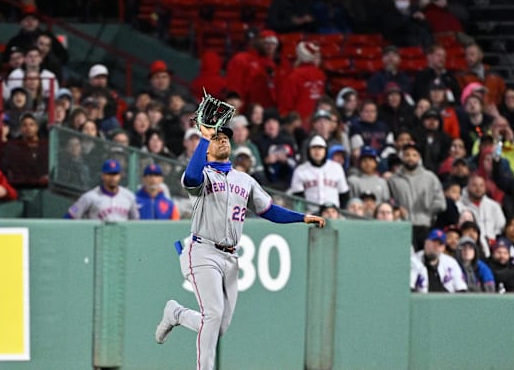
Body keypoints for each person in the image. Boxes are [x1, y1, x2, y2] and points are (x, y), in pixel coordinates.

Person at [153, 123, 325, 370]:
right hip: (202, 250)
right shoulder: (202, 175)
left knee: (219, 326)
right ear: (207, 149)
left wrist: (301, 217)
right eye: (217, 138)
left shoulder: (244, 180)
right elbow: (190, 178)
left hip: (230, 257)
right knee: (212, 315)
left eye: (225, 138)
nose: (222, 140)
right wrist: (204, 138)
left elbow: (269, 210)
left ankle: (177, 313)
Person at [388, 143, 446, 250]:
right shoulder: (394, 180)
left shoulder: (430, 178)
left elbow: (441, 203)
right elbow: (389, 200)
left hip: (424, 225)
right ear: (402, 157)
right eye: (407, 155)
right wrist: (397, 209)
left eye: (414, 155)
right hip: (403, 226)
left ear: (419, 158)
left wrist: (428, 208)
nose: (411, 158)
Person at [65, 159, 140, 221]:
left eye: (115, 174)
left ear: (120, 176)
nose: (112, 177)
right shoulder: (90, 197)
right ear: (103, 176)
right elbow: (70, 216)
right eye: (109, 174)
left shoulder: (129, 196)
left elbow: (136, 222)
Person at [289, 135, 349, 211]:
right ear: (309, 150)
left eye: (320, 148)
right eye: (314, 148)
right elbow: (298, 199)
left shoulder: (336, 168)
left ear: (325, 150)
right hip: (311, 214)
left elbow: (344, 194)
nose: (317, 151)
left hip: (333, 214)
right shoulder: (300, 170)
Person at [456, 174, 506, 256]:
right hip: (467, 248)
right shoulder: (459, 206)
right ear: (468, 187)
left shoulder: (493, 206)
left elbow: (500, 226)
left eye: (481, 185)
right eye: (474, 185)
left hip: (491, 250)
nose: (478, 189)